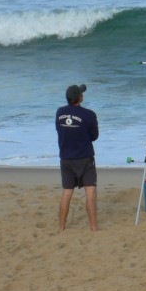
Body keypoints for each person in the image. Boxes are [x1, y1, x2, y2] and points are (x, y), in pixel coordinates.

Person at [56, 83, 99, 232]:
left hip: (66, 158)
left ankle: (61, 227)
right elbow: (94, 136)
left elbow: (60, 130)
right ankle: (94, 227)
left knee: (67, 192)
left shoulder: (59, 112)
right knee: (91, 191)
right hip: (84, 158)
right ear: (80, 97)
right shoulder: (89, 114)